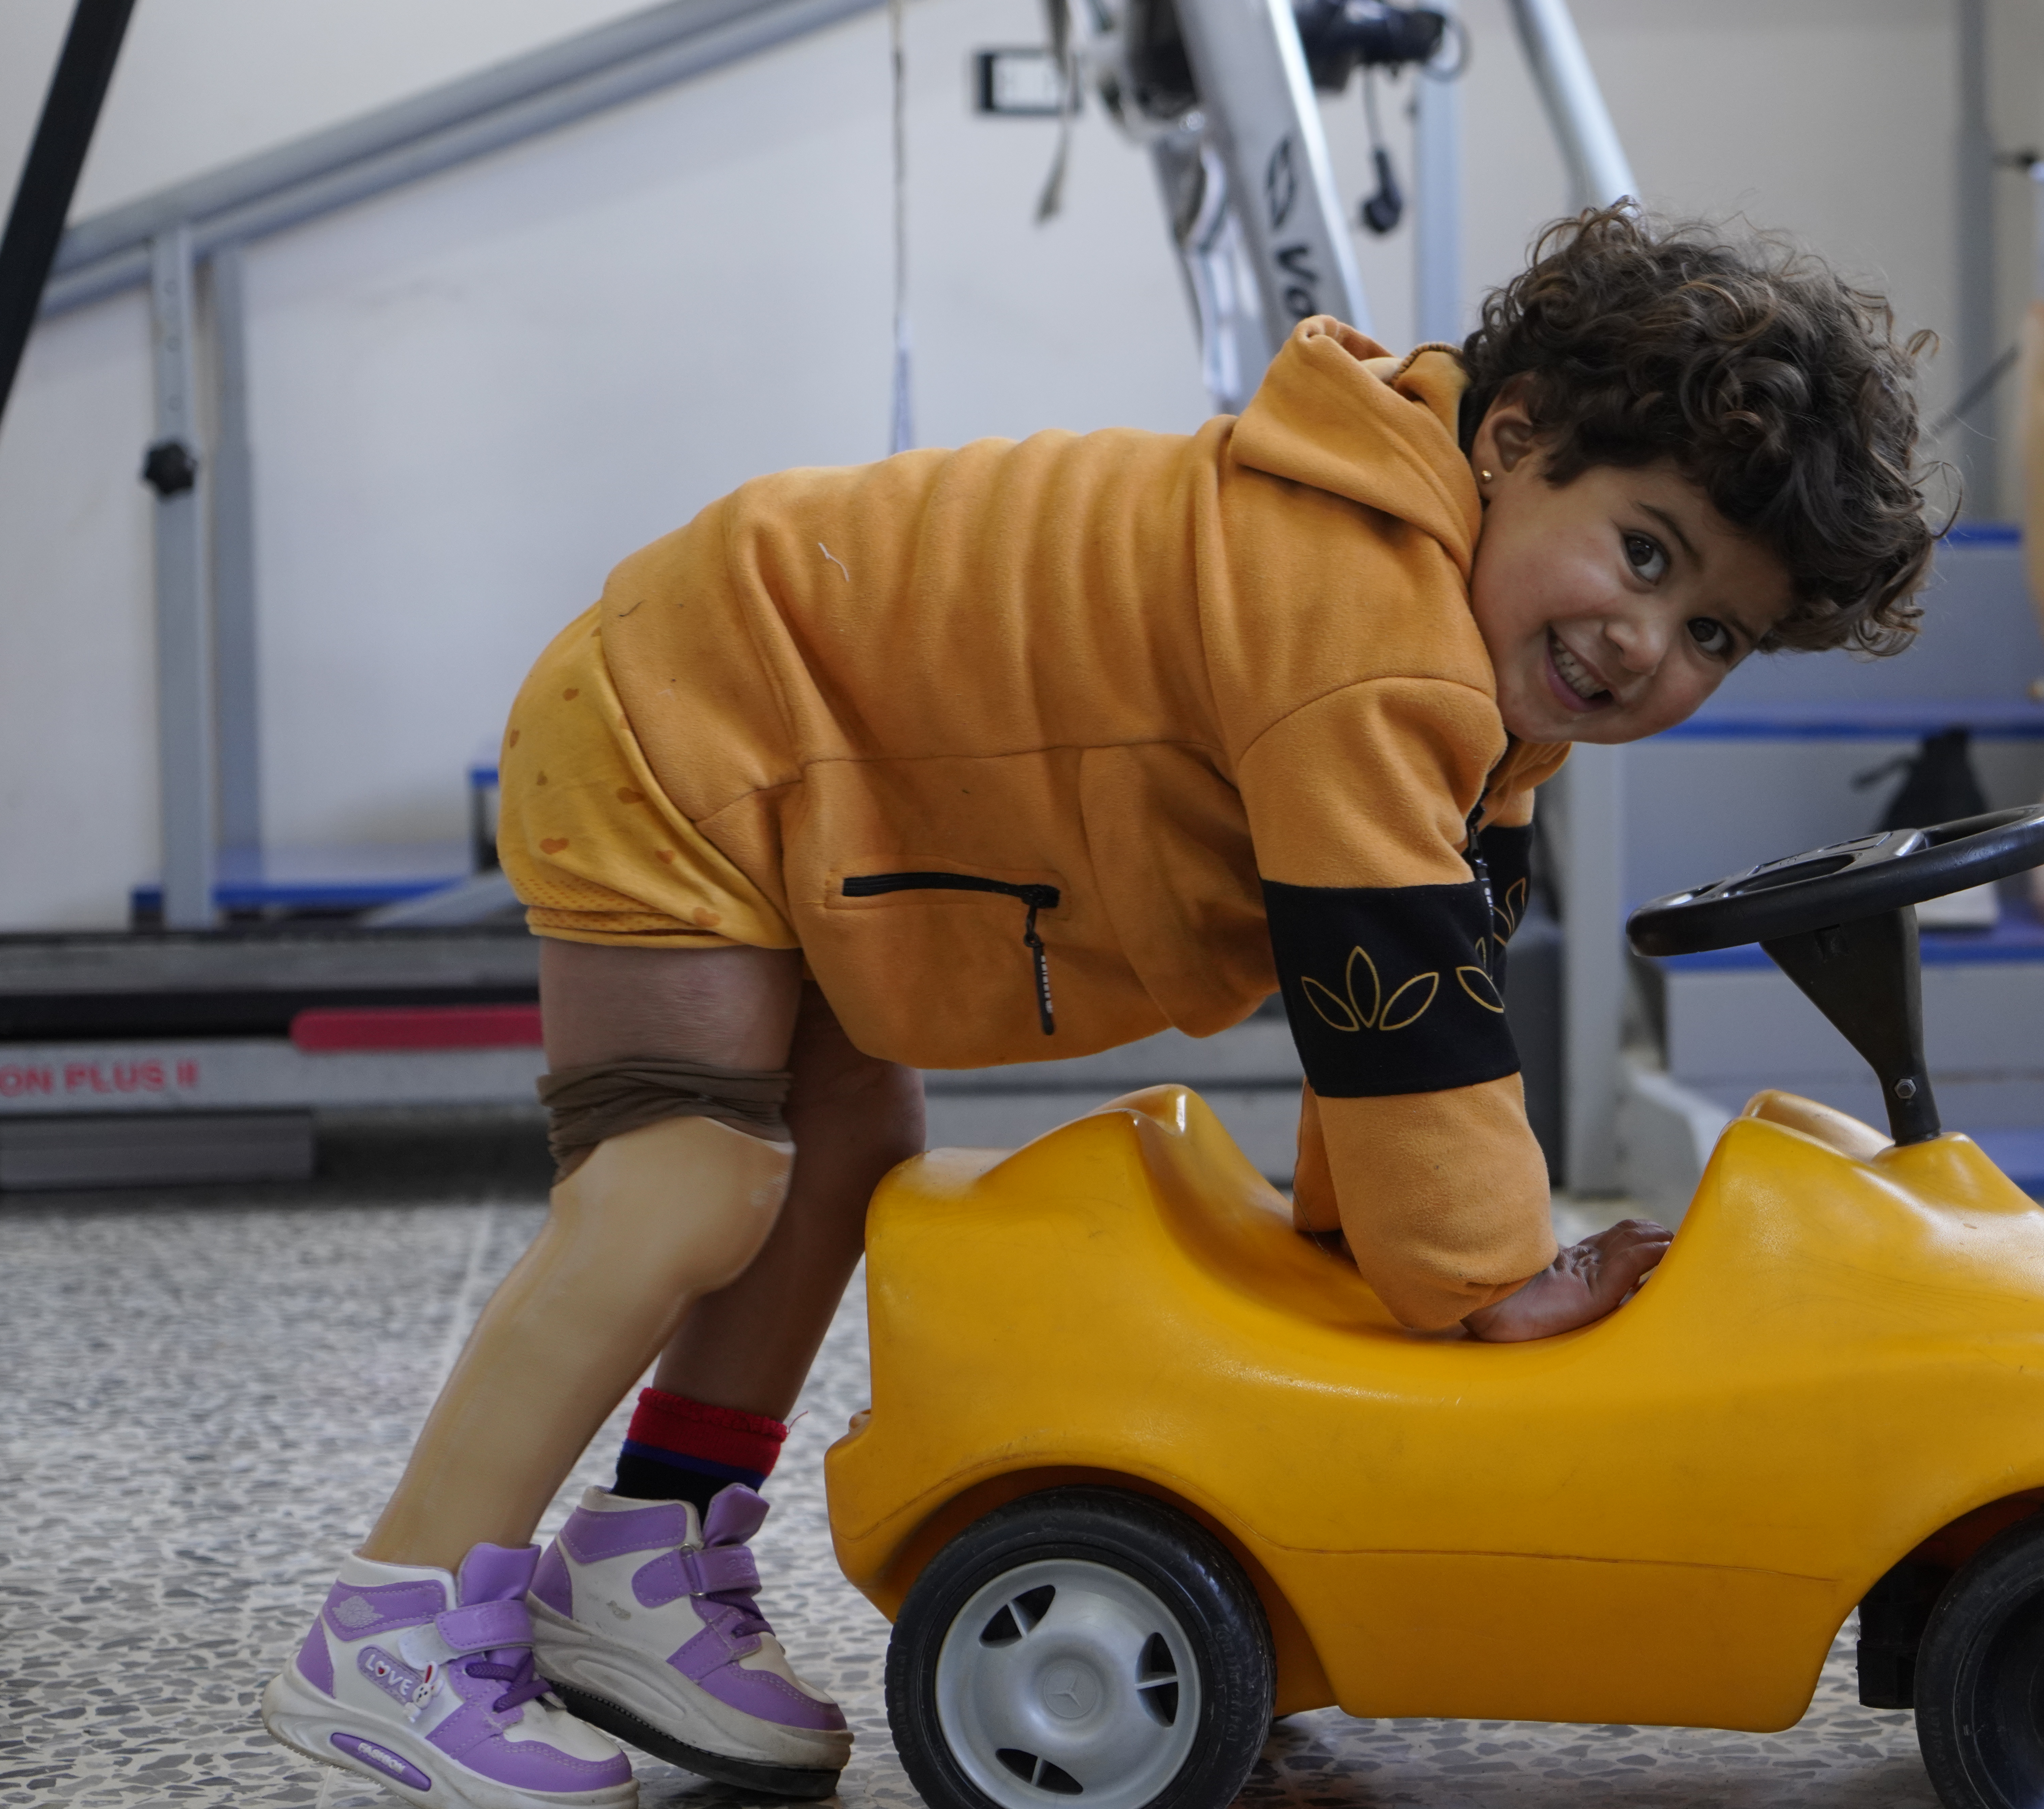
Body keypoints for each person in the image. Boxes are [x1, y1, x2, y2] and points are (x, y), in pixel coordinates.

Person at [257, 205, 1938, 1809]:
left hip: (819, 740)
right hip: (691, 714)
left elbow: (1414, 993)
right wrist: (1490, 1275)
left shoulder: (1468, 660)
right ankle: (394, 1623)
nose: (1645, 639)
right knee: (687, 1175)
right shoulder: (1371, 630)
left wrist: (1398, 1251)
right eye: (1642, 551)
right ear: (1511, 436)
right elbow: (1395, 985)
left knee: (847, 1144)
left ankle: (648, 1553)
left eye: (1711, 625)